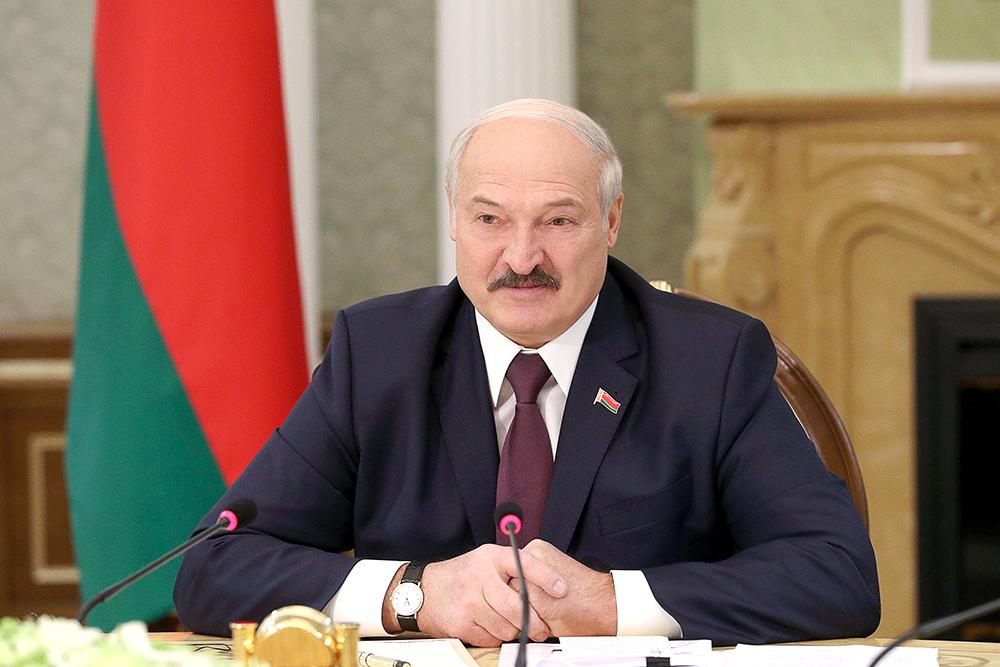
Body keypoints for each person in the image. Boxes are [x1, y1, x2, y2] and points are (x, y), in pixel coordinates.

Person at [173, 99, 880, 646]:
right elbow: (214, 567)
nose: (521, 257)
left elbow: (837, 573)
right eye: (490, 219)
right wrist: (416, 594)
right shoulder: (379, 352)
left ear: (611, 222)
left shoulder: (709, 360)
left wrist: (612, 603)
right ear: (454, 218)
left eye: (558, 222)